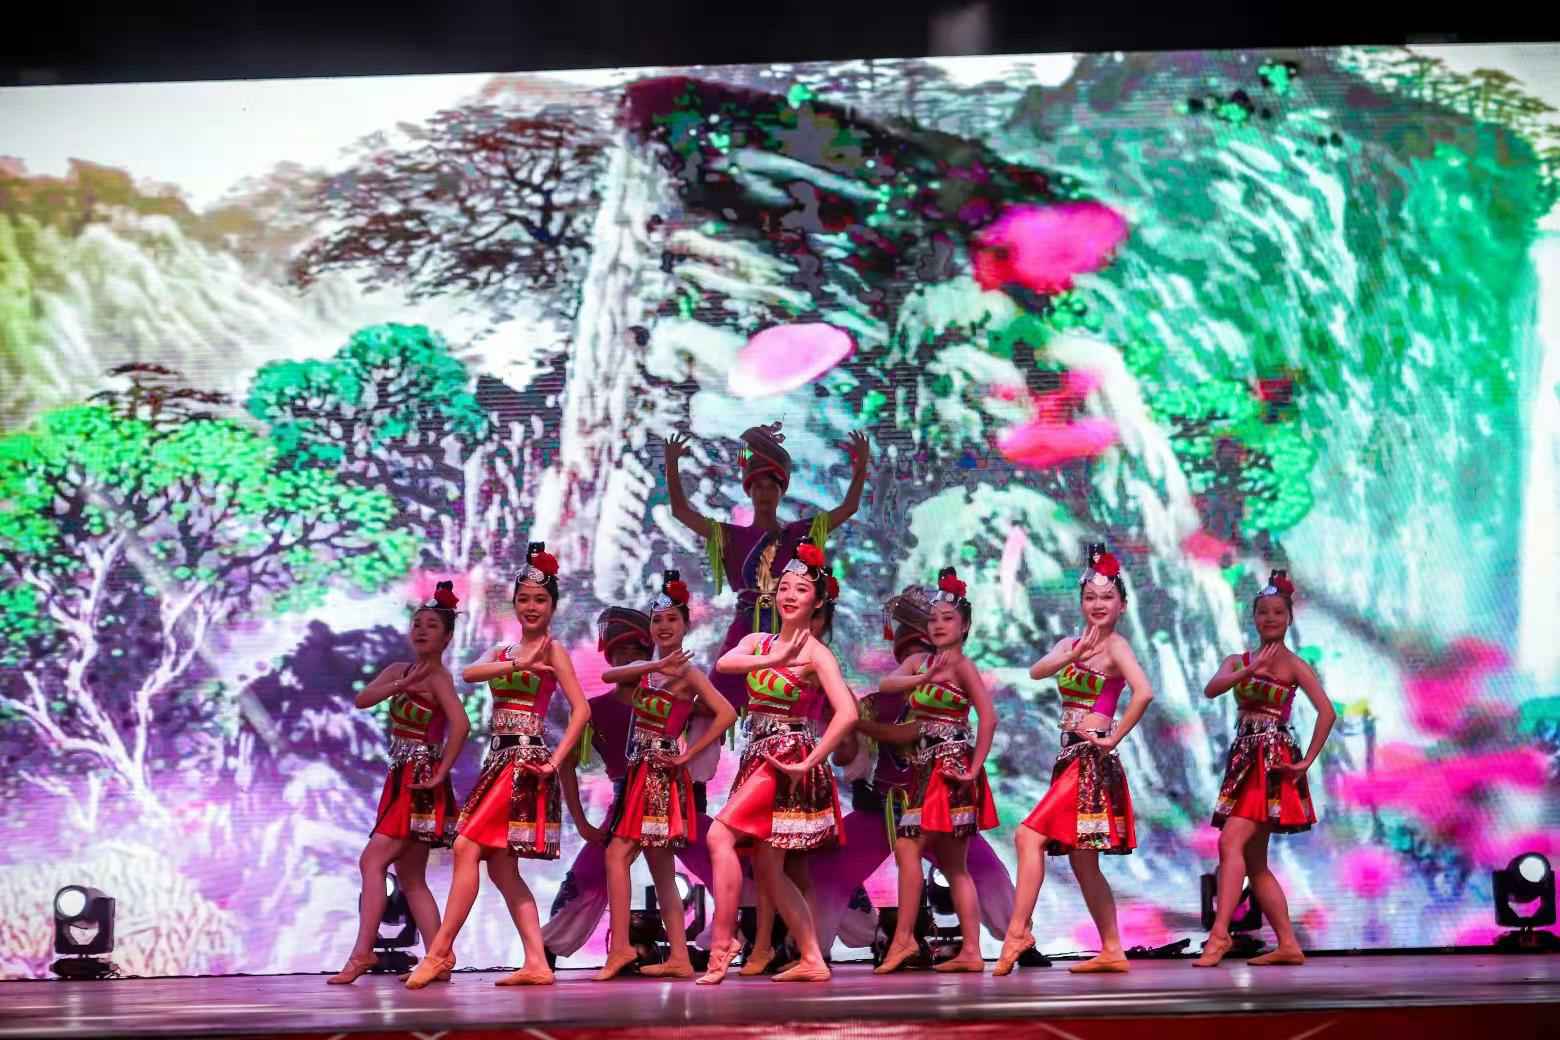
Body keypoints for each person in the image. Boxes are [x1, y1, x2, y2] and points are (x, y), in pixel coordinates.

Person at [405, 544, 591, 988]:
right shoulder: (503, 650)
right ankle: (537, 962)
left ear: (553, 606)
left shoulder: (554, 650)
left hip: (526, 760)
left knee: (466, 845)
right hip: (498, 759)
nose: (531, 606)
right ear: (514, 603)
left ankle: (439, 951)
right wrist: (516, 662)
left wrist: (555, 762)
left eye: (540, 599)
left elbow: (581, 710)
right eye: (524, 599)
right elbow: (469, 674)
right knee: (504, 870)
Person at [810, 586, 1020, 959]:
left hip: (937, 788)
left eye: (944, 621)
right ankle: (820, 944)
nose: (915, 655)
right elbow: (847, 756)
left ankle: (1012, 935)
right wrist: (840, 717)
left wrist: (856, 723)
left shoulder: (952, 675)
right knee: (833, 870)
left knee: (972, 867)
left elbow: (914, 732)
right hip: (886, 805)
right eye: (910, 647)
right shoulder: (884, 696)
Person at [697, 544, 858, 984]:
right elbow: (725, 663)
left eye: (801, 589)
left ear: (817, 601)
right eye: (784, 587)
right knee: (768, 870)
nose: (789, 595)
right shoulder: (758, 642)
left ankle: (723, 943)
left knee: (718, 836)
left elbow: (848, 713)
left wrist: (811, 761)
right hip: (757, 755)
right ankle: (811, 957)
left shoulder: (817, 654)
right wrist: (775, 659)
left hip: (787, 757)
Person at [995, 544, 1154, 976]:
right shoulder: (1070, 643)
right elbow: (1036, 672)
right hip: (1068, 757)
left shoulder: (1117, 647)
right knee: (1083, 861)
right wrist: (1071, 653)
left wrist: (1112, 737)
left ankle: (1018, 932)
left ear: (1122, 604)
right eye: (1090, 597)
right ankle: (1113, 948)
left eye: (1107, 597)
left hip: (1090, 760)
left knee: (1028, 837)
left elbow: (1144, 692)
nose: (1098, 604)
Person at [593, 571, 739, 980]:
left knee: (616, 854)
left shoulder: (689, 674)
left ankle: (621, 948)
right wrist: (656, 663)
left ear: (685, 625)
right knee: (660, 867)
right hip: (639, 767)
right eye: (657, 620)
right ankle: (678, 955)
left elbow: (726, 713)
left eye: (672, 620)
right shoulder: (647, 668)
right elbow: (607, 677)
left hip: (659, 770)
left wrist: (688, 753)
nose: (663, 626)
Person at [328, 582, 469, 984]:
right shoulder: (398, 671)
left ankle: (362, 953)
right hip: (400, 775)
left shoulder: (439, 678)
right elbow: (362, 700)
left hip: (419, 780)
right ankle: (440, 956)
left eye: (432, 626)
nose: (422, 631)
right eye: (417, 624)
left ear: (447, 637)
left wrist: (441, 771)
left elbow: (461, 725)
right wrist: (400, 686)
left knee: (372, 862)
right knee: (410, 877)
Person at [1194, 570, 1335, 968]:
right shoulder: (1237, 660)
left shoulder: (1294, 665)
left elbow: (1327, 712)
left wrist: (1306, 760)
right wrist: (1248, 671)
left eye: (1277, 612)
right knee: (1254, 862)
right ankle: (1288, 943)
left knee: (1230, 843)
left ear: (1289, 617)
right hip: (1243, 758)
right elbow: (1212, 689)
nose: (1270, 618)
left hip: (1271, 762)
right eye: (1263, 612)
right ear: (1253, 617)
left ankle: (1219, 936)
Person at [873, 567, 998, 974]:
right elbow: (886, 685)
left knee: (911, 847)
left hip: (950, 767)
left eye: (948, 618)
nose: (939, 625)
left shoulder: (963, 667)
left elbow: (988, 718)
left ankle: (906, 939)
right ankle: (970, 951)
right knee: (950, 863)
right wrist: (923, 676)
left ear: (964, 627)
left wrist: (974, 769)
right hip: (925, 768)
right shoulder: (918, 661)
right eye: (933, 619)